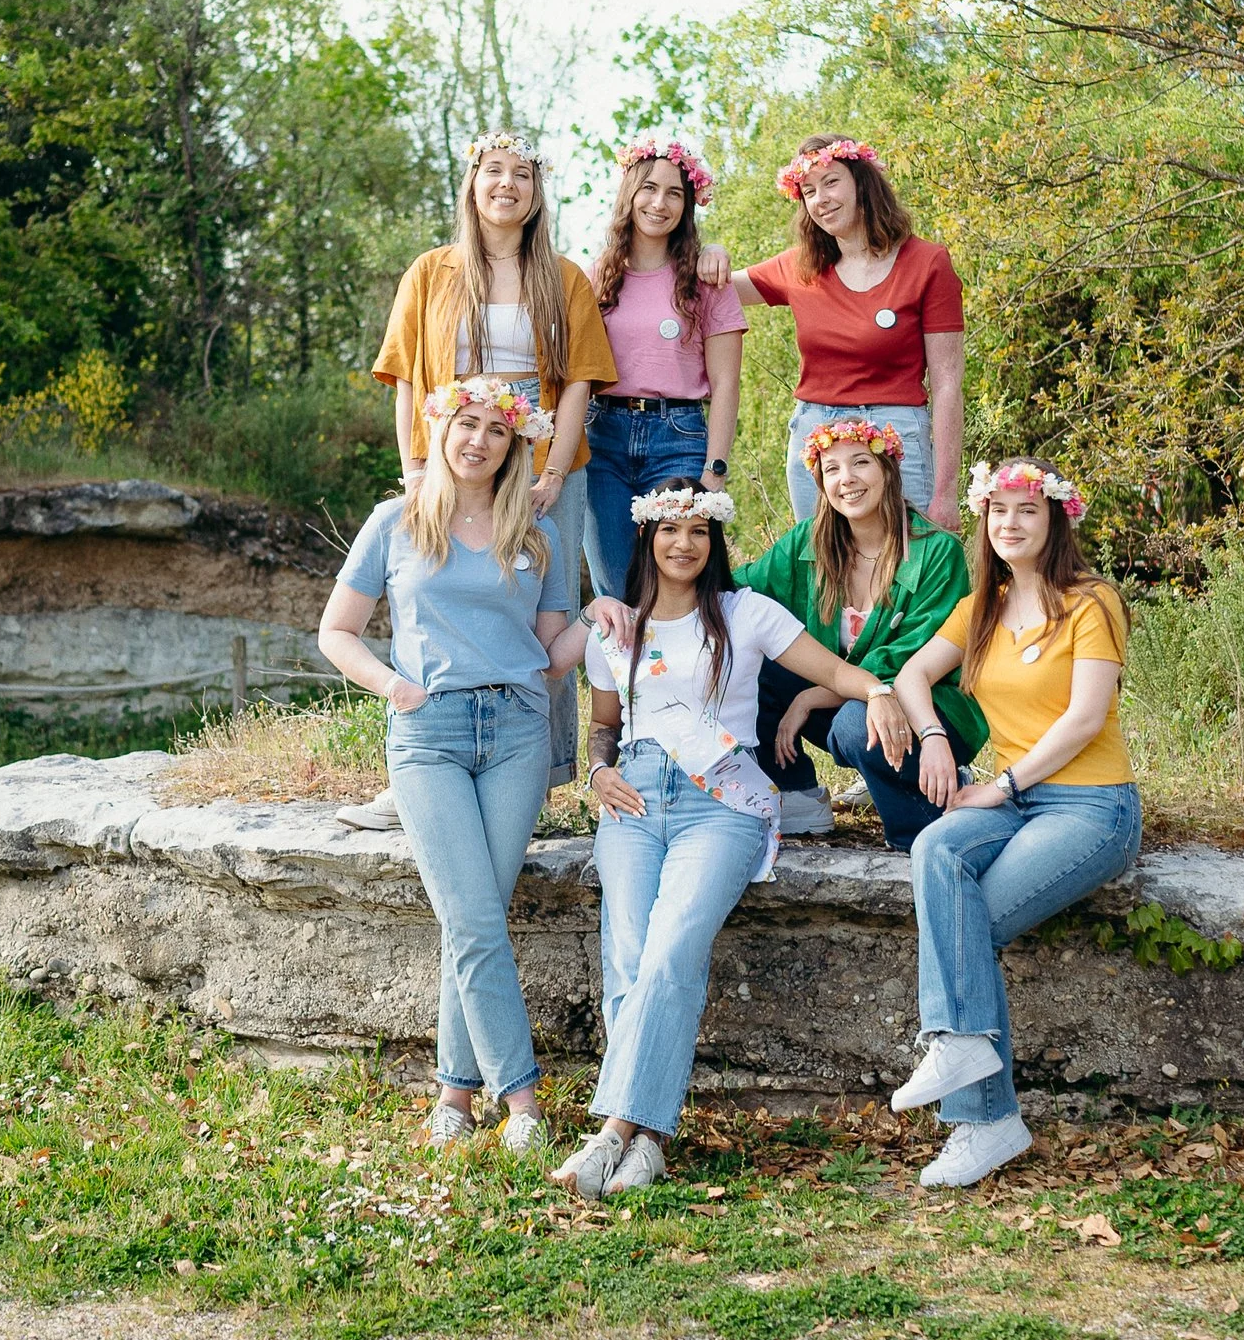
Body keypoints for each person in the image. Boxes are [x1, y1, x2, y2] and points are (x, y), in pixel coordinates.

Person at [545, 481, 911, 1199]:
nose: (684, 543)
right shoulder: (617, 627)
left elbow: (833, 669)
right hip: (636, 794)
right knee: (627, 952)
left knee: (674, 942)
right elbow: (604, 723)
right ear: (647, 538)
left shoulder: (746, 615)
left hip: (725, 800)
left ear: (715, 543)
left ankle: (616, 1129)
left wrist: (883, 692)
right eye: (670, 530)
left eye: (699, 532)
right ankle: (649, 1140)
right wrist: (595, 770)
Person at [314, 377, 579, 1153]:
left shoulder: (539, 531)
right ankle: (522, 1099)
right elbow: (337, 632)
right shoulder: (395, 521)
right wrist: (395, 686)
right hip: (428, 732)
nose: (480, 442)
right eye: (467, 424)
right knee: (470, 915)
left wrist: (603, 622)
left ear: (514, 445)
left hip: (519, 733)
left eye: (498, 432)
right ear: (442, 428)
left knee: (478, 918)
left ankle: (454, 1098)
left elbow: (553, 649)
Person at [341, 131, 617, 832]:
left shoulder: (564, 276)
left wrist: (555, 467)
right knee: (430, 599)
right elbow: (406, 376)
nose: (507, 184)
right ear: (472, 183)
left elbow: (581, 377)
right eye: (494, 171)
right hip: (455, 446)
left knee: (539, 616)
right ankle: (412, 772)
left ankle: (540, 778)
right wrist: (413, 463)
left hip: (540, 456)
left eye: (522, 174)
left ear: (536, 192)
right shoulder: (431, 272)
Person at [884, 459, 1140, 1189]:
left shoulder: (1092, 602)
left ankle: (981, 1118)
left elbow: (1086, 716)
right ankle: (973, 1076)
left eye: (1027, 510)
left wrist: (1002, 783)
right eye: (998, 511)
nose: (1011, 524)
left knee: (964, 924)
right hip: (1019, 800)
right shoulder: (983, 605)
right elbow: (909, 677)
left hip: (1092, 804)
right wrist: (933, 736)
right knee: (935, 846)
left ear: (1056, 518)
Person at [733, 417, 986, 841]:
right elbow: (738, 588)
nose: (846, 479)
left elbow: (911, 659)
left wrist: (814, 695)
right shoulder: (807, 544)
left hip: (927, 706)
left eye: (860, 463)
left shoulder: (937, 551)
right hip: (857, 697)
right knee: (748, 656)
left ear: (887, 469)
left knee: (856, 722)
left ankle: (920, 830)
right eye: (831, 469)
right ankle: (796, 791)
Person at [707, 135, 966, 528]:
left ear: (862, 183)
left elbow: (947, 384)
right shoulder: (801, 268)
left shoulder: (927, 263)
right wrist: (712, 251)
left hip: (898, 436)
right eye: (808, 191)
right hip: (816, 435)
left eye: (831, 182)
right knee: (821, 573)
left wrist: (946, 494)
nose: (820, 199)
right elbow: (714, 285)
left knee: (910, 570)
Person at [583, 139, 745, 599]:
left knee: (677, 583)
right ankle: (618, 674)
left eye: (674, 192)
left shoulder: (706, 279)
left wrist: (714, 469)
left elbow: (727, 381)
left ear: (687, 204)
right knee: (615, 587)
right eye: (649, 189)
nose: (659, 203)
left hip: (678, 438)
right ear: (629, 194)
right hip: (603, 441)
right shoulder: (595, 277)